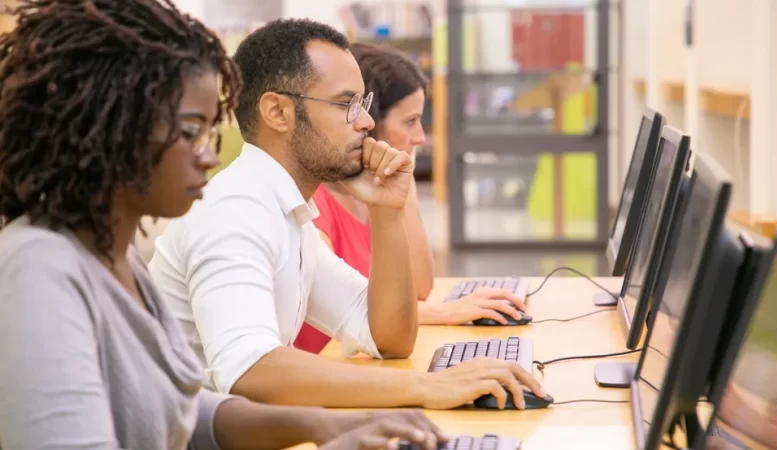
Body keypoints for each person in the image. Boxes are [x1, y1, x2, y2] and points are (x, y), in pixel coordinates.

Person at [0, 1, 448, 449]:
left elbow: (182, 410)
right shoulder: (41, 268)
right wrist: (422, 389)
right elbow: (248, 370)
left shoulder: (114, 257)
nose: (210, 155)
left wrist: (321, 426)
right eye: (191, 130)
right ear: (116, 129)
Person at [148, 18, 546, 409]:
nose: (367, 122)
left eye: (363, 104)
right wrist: (425, 386)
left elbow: (388, 336)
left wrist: (386, 212)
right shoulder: (236, 211)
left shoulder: (288, 213)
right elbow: (249, 371)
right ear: (278, 112)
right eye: (346, 105)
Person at [293, 42, 528, 354]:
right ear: (370, 123)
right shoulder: (316, 206)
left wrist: (405, 186)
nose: (420, 136)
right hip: (332, 371)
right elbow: (352, 315)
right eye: (409, 121)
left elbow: (420, 287)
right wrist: (446, 312)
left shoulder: (368, 198)